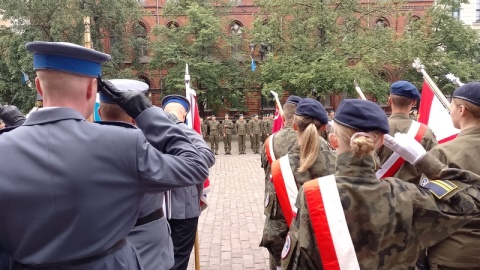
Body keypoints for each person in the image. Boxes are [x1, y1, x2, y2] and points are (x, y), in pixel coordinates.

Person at [0, 41, 209, 270]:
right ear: (92, 89)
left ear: (39, 87)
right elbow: (196, 164)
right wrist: (147, 114)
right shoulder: (122, 143)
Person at [282, 99, 480, 270]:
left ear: (333, 141)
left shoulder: (313, 195)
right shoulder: (407, 195)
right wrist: (423, 160)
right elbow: (473, 194)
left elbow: (299, 263)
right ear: (382, 142)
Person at [262, 98, 336, 270]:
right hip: (331, 254)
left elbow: (275, 228)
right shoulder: (339, 163)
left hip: (293, 257)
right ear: (324, 128)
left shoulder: (280, 168)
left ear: (294, 125)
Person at [425, 82, 480, 270]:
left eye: (452, 107)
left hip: (457, 253)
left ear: (462, 109)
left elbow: (427, 208)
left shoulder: (444, 153)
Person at [159, 94, 214, 270]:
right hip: (182, 207)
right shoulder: (186, 132)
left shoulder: (149, 130)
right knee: (178, 259)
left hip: (156, 208)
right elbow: (207, 157)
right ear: (183, 116)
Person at [260, 95, 301, 270]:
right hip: (300, 206)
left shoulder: (269, 142)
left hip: (276, 207)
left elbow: (266, 169)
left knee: (277, 255)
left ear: (283, 116)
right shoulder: (310, 140)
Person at [376, 80, 438, 183]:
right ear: (413, 102)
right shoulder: (425, 132)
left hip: (379, 192)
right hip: (413, 194)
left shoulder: (374, 129)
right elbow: (436, 164)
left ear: (389, 101)